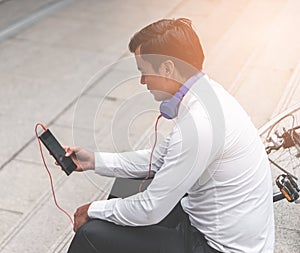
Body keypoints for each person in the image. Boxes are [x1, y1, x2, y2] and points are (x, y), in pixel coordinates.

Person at [65, 18, 274, 253]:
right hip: (218, 229)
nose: (143, 81)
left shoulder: (199, 124)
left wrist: (92, 210)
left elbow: (151, 208)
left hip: (217, 248)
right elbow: (158, 160)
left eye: (144, 72)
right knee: (128, 184)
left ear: (167, 68)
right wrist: (93, 160)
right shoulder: (209, 94)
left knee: (91, 234)